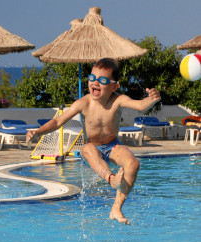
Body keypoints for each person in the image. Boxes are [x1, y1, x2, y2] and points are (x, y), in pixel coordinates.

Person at [26, 58, 161, 225]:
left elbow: (140, 105)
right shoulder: (84, 103)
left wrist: (152, 99)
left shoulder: (118, 100)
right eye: (92, 78)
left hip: (112, 146)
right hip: (90, 149)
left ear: (114, 86)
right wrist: (37, 131)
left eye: (102, 80)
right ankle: (112, 180)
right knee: (89, 148)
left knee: (133, 164)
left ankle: (116, 208)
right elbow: (57, 122)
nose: (95, 83)